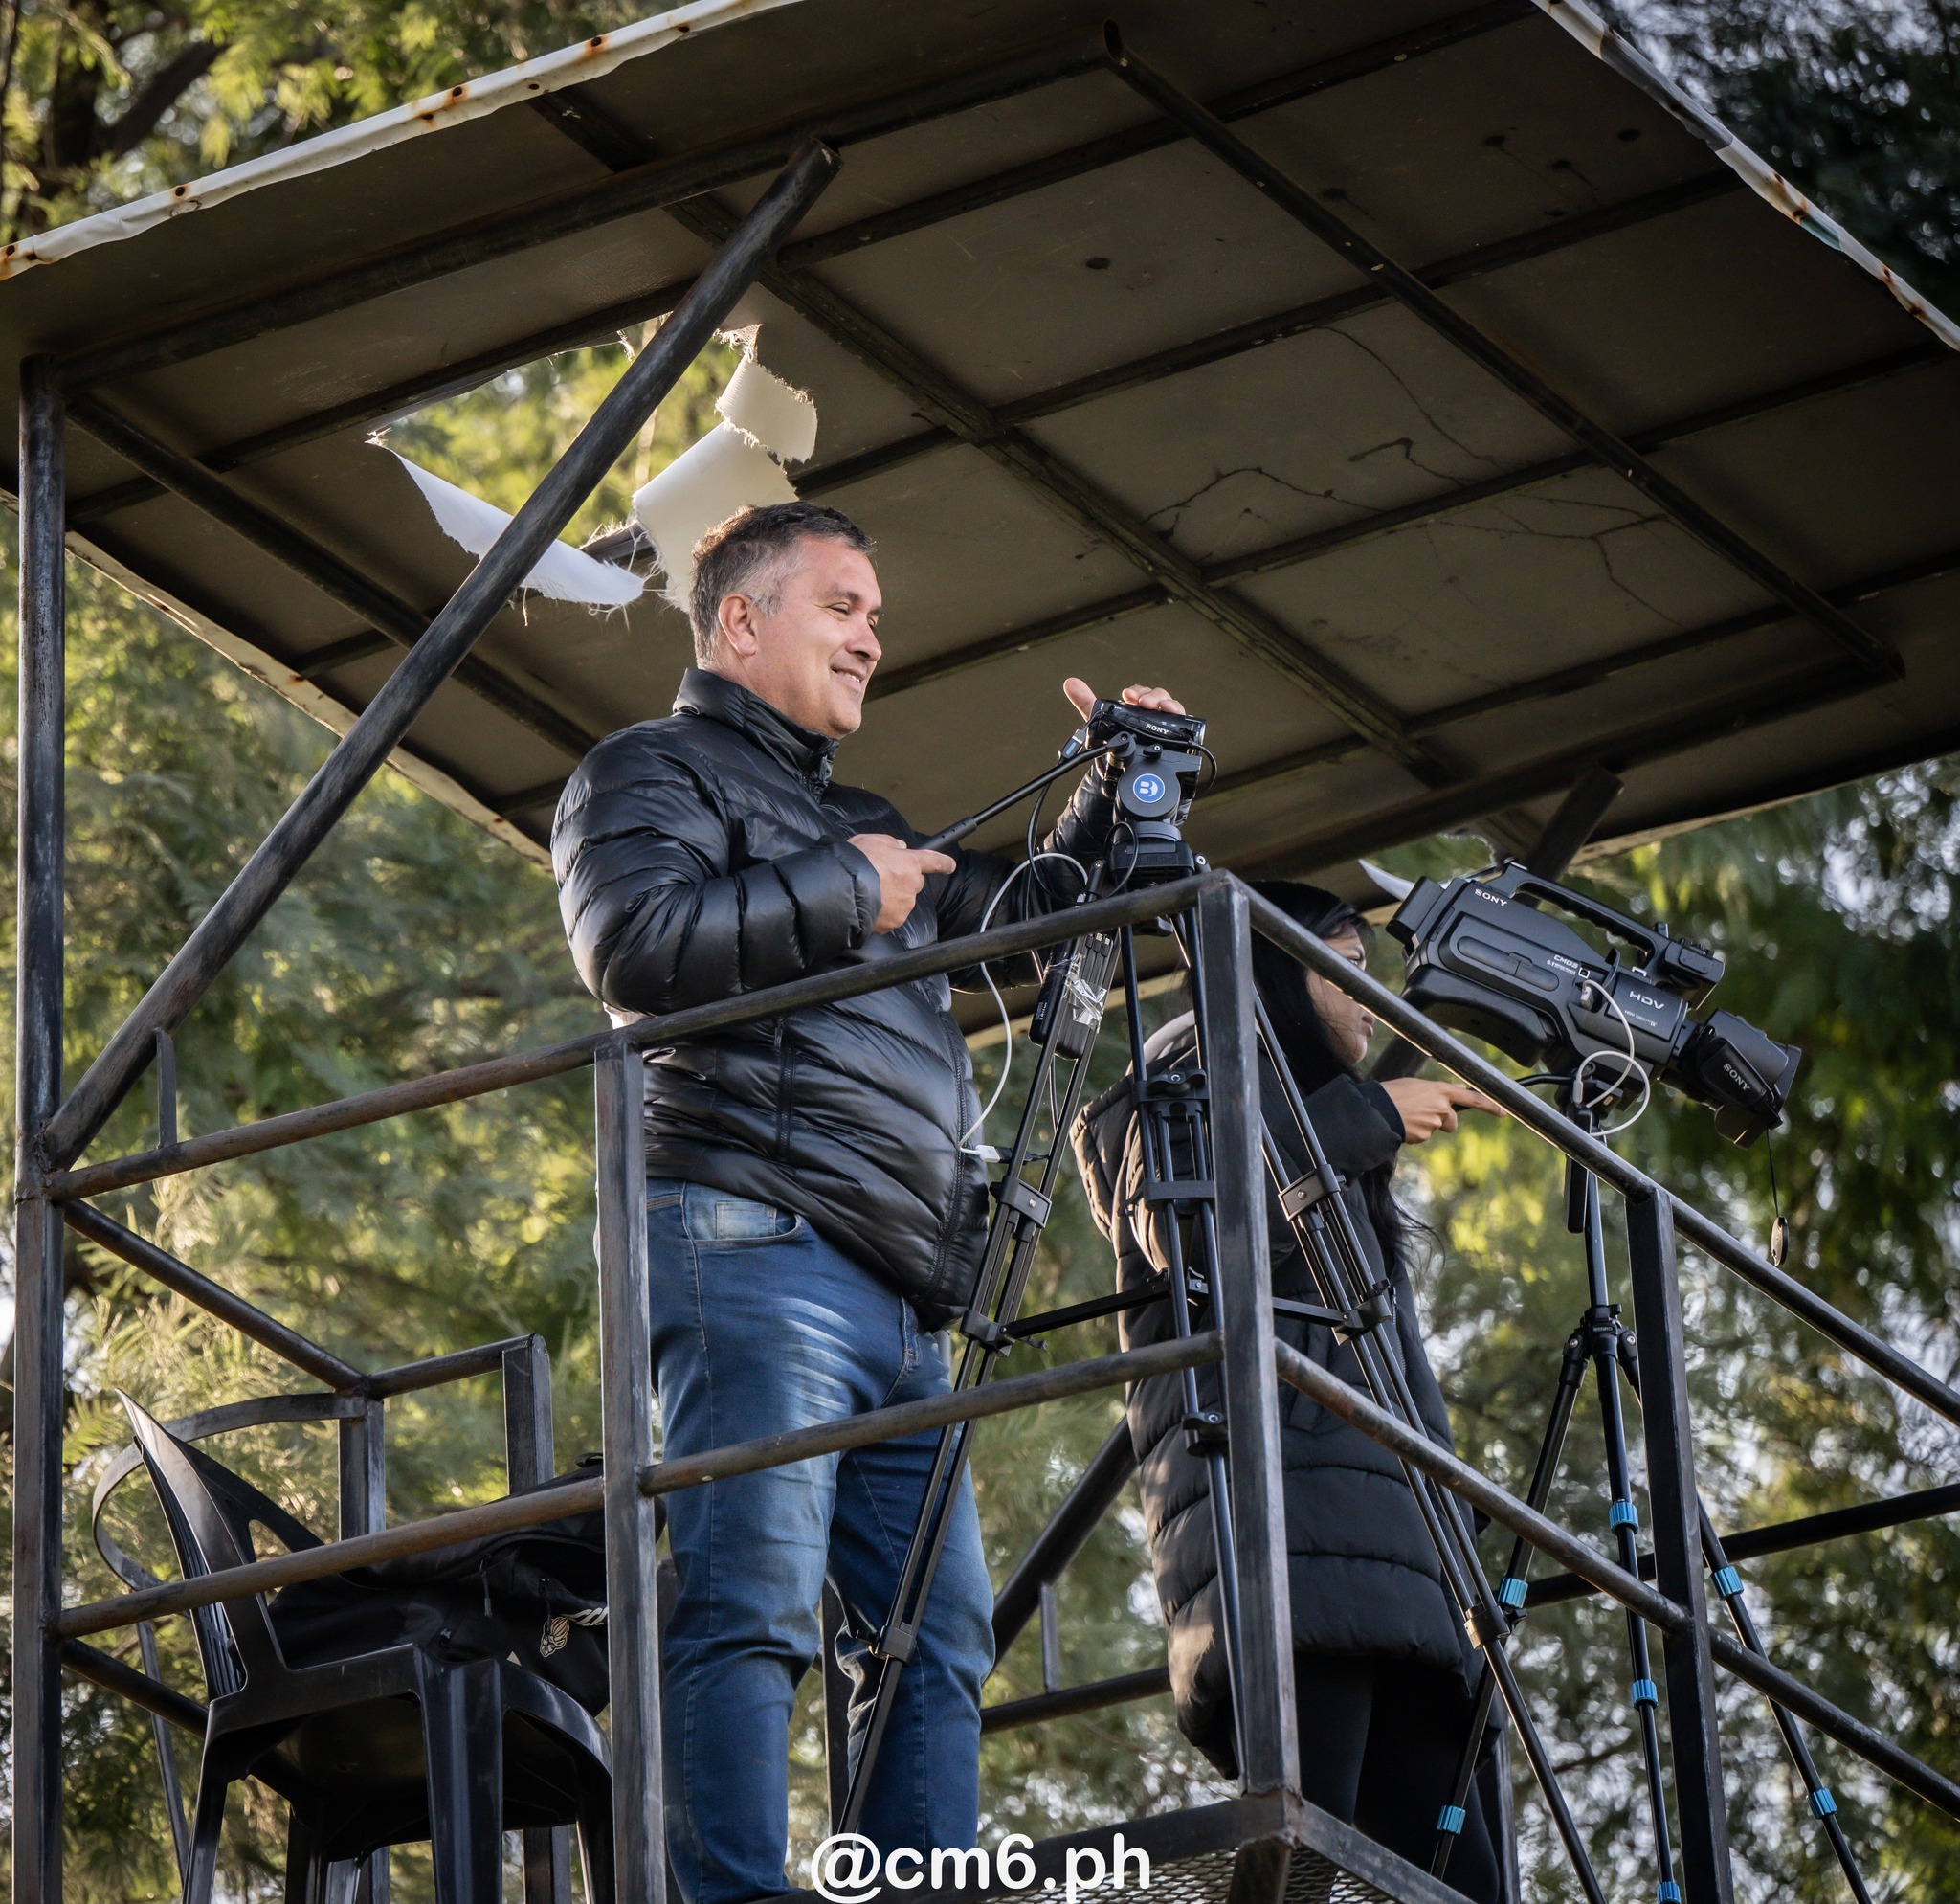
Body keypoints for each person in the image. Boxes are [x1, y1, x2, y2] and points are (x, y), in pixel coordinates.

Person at [550, 498, 1184, 1904]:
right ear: (739, 619)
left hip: (901, 1294)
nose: (870, 640)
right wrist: (848, 888)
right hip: (750, 1237)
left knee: (936, 1638)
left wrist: (1108, 797)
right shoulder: (644, 770)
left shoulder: (865, 825)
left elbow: (1021, 916)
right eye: (842, 607)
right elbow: (634, 948)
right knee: (754, 1604)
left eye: (876, 619)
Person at [1073, 880, 1507, 1897]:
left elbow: (1394, 1367)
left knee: (1462, 1880)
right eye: (1347, 971)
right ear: (1276, 967)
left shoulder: (1319, 1117)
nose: (1371, 1002)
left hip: (1395, 1561)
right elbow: (1194, 1236)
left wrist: (1456, 1523)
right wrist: (1370, 1116)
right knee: (1302, 1858)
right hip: (1291, 1547)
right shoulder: (1188, 1064)